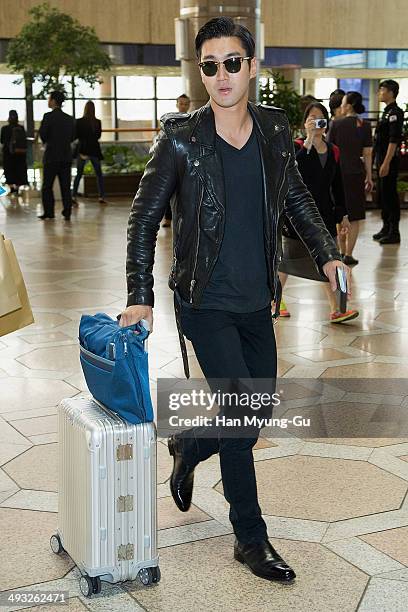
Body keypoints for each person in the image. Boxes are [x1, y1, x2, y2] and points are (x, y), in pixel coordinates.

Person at [120, 17, 349, 583]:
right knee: (242, 417)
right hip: (204, 302)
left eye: (231, 63)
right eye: (209, 66)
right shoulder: (180, 137)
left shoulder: (273, 131)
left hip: (255, 300)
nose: (221, 76)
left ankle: (192, 444)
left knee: (254, 412)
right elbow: (143, 220)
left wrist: (326, 253)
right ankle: (251, 537)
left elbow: (295, 196)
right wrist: (140, 295)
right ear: (202, 74)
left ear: (251, 66)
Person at [279, 102, 358, 323]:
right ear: (305, 123)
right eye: (312, 119)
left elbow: (338, 186)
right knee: (285, 262)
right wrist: (308, 143)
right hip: (297, 217)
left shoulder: (333, 150)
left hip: (324, 215)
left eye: (320, 119)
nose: (317, 123)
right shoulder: (296, 147)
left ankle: (339, 308)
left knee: (331, 259)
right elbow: (294, 174)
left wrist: (342, 214)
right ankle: (276, 300)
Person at [328, 91, 373, 265]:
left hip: (338, 174)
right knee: (354, 215)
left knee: (340, 211)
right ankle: (349, 253)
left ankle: (340, 250)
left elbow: (331, 149)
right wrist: (369, 176)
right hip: (356, 173)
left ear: (348, 105)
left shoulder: (336, 124)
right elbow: (368, 153)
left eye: (344, 103)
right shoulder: (365, 125)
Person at [372, 79, 404, 244]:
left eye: (382, 90)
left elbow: (394, 140)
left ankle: (394, 231)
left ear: (391, 92)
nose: (379, 93)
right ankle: (386, 227)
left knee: (390, 195)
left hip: (389, 161)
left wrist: (386, 163)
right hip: (381, 158)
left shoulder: (395, 112)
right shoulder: (386, 112)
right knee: (384, 195)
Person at [38, 91, 75, 221]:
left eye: (49, 99)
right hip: (66, 156)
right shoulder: (69, 118)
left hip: (51, 156)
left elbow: (43, 136)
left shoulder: (48, 116)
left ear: (53, 101)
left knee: (47, 186)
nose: (48, 101)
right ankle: (67, 212)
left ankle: (49, 212)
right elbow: (72, 137)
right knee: (65, 186)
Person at [162, 94, 191, 227]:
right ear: (177, 104)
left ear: (189, 105)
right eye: (181, 103)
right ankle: (168, 218)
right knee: (169, 190)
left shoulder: (193, 120)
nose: (183, 106)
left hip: (186, 161)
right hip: (172, 161)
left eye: (186, 103)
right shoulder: (170, 121)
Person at [72, 100, 106, 205]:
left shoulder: (79, 121)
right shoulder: (97, 122)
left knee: (79, 173)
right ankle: (101, 196)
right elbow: (98, 136)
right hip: (94, 150)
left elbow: (76, 135)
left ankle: (73, 196)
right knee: (98, 174)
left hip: (83, 150)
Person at [0, 110, 28, 195]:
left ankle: (12, 189)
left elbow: (1, 141)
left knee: (9, 171)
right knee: (19, 170)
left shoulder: (4, 128)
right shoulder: (21, 128)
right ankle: (17, 188)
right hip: (20, 154)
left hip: (8, 154)